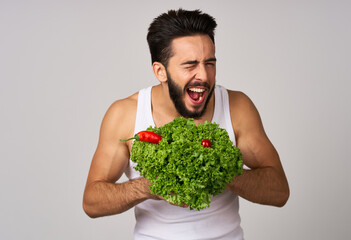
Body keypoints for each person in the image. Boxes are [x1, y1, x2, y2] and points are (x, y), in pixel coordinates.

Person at [83, 9, 289, 239]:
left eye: (209, 63)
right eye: (190, 65)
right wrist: (147, 187)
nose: (204, 75)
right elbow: (92, 202)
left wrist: (222, 172)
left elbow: (279, 190)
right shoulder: (125, 114)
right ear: (160, 71)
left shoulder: (236, 107)